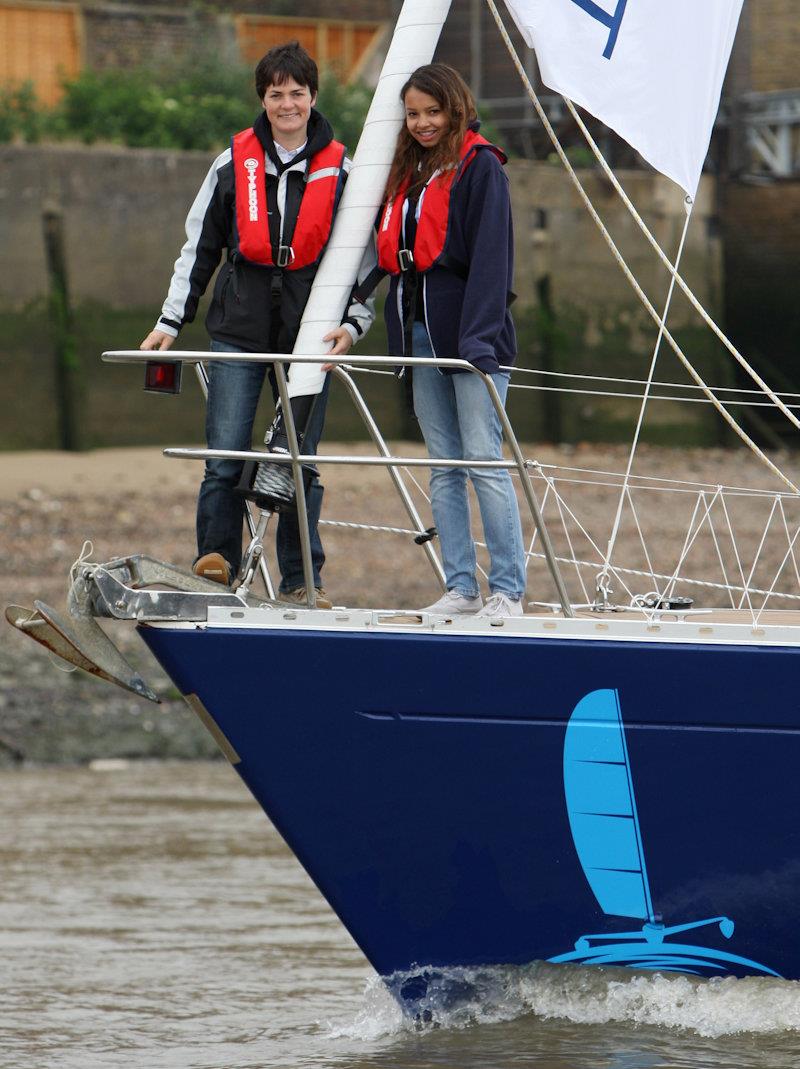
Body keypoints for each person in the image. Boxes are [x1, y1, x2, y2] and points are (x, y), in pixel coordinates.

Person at [140, 41, 374, 607]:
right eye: (276, 94)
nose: (287, 104)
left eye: (297, 93)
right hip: (239, 328)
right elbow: (199, 248)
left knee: (299, 462)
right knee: (225, 453)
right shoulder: (231, 164)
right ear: (263, 99)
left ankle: (301, 579)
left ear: (313, 97)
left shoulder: (343, 170)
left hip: (310, 333)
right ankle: (213, 560)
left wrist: (354, 325)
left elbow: (367, 261)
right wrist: (170, 321)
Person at [378, 63, 526, 618]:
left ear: (455, 109)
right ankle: (461, 587)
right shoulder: (404, 171)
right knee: (443, 464)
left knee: (484, 459)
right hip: (418, 335)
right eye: (413, 114)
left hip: (472, 342)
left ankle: (508, 590)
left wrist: (478, 343)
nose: (422, 123)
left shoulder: (481, 167)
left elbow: (493, 260)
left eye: (433, 112)